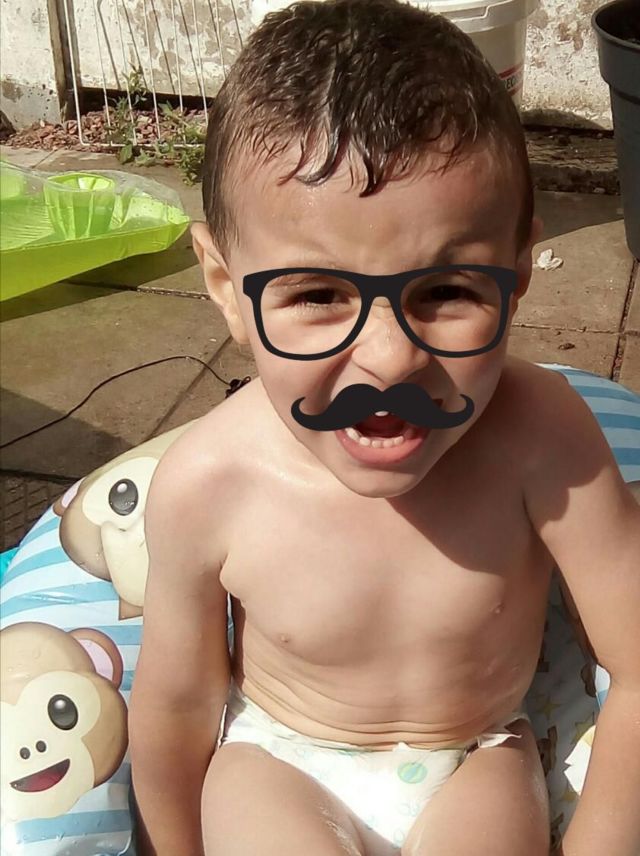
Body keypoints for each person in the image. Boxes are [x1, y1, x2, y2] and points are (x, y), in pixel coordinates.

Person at [128, 2, 640, 854]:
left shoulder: (544, 442)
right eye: (317, 295)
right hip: (282, 761)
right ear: (225, 286)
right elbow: (178, 704)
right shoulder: (210, 485)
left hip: (477, 754)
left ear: (516, 276)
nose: (391, 360)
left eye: (445, 293)